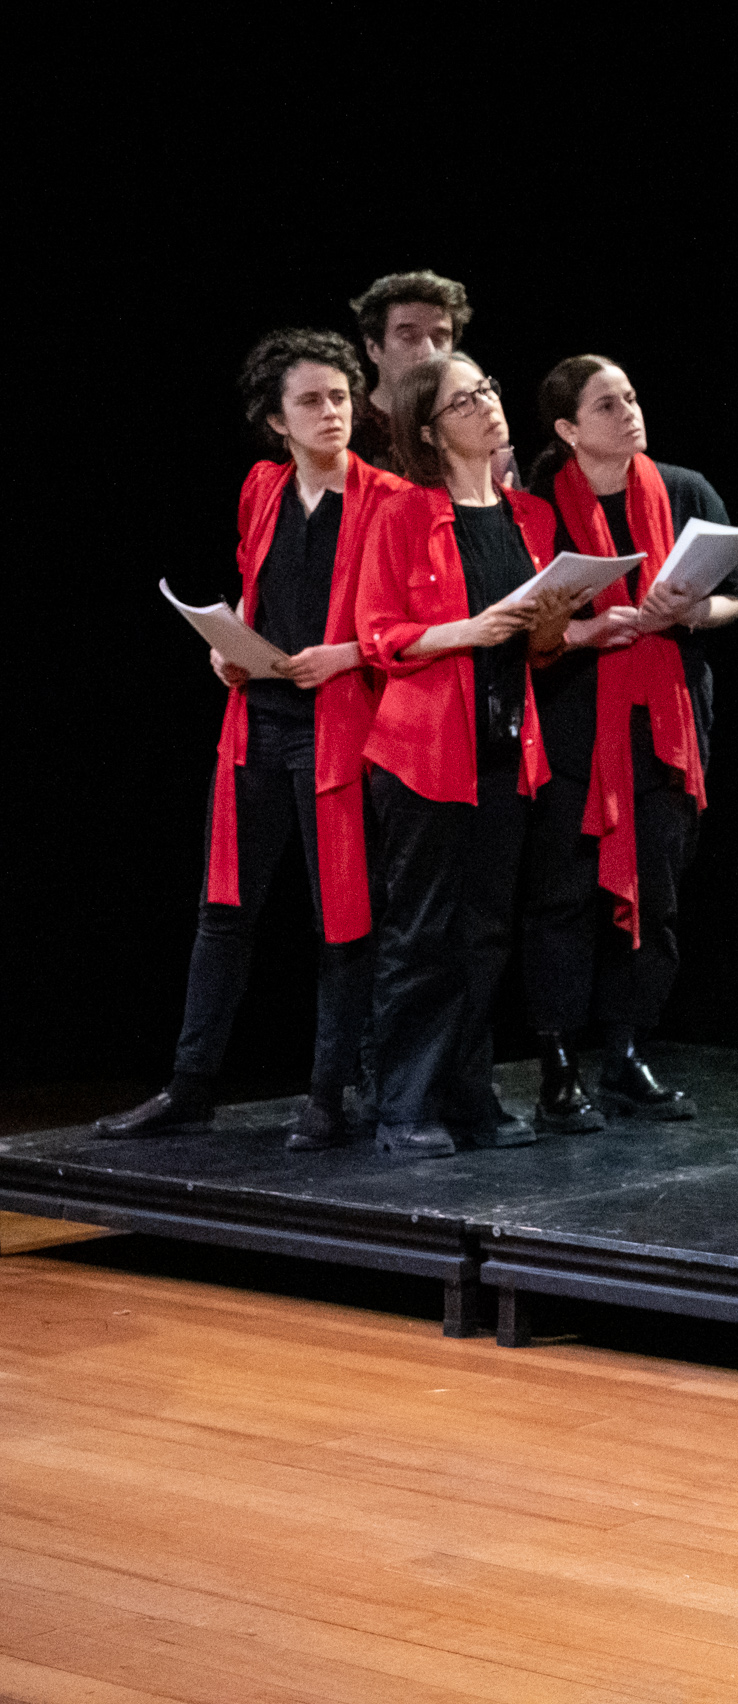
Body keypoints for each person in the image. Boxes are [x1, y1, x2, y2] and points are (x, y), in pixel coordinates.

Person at [96, 330, 411, 1148]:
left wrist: (352, 652)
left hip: (339, 726)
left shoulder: (388, 498)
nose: (331, 412)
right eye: (310, 401)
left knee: (342, 918)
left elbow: (416, 620)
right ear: (276, 419)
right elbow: (256, 583)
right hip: (259, 724)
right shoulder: (263, 487)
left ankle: (330, 1094)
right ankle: (191, 1085)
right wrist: (227, 647)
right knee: (224, 911)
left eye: (340, 396)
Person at [354, 351, 584, 1155]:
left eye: (488, 389)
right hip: (422, 754)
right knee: (423, 933)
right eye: (465, 400)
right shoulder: (403, 513)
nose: (488, 405)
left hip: (504, 745)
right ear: (429, 429)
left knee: (485, 932)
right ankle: (405, 1106)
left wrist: (552, 624)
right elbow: (377, 637)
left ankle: (470, 1096)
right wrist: (468, 630)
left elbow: (539, 652)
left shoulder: (529, 517)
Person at [515, 354, 738, 1129]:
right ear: (566, 428)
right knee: (563, 900)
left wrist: (690, 611)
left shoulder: (683, 490)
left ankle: (624, 1053)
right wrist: (584, 630)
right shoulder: (537, 504)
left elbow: (734, 603)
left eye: (631, 398)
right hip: (571, 727)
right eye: (607, 405)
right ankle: (556, 1062)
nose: (628, 413)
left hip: (666, 728)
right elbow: (520, 628)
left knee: (657, 896)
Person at [347, 269, 511, 485]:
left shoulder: (473, 420)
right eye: (408, 336)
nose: (429, 352)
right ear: (373, 349)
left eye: (440, 337)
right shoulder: (348, 433)